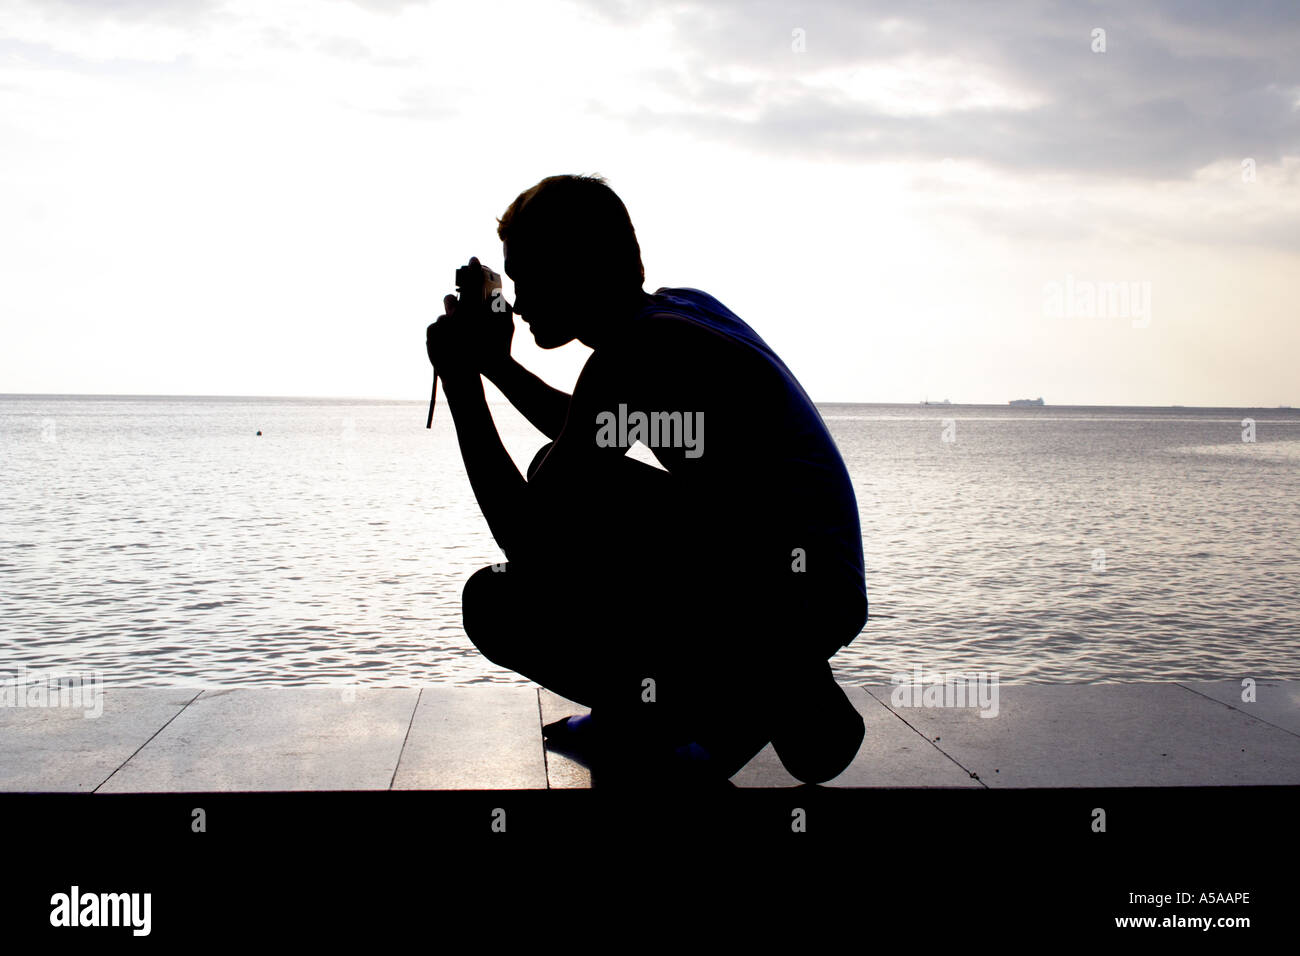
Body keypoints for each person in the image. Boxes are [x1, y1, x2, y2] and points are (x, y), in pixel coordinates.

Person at [426, 174, 868, 784]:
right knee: (558, 474)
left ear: (575, 269)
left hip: (793, 594)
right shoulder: (676, 314)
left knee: (496, 599)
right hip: (812, 583)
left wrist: (462, 388)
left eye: (526, 278)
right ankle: (773, 695)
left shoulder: (633, 353)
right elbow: (590, 428)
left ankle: (670, 715)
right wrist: (498, 365)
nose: (518, 303)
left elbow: (525, 537)